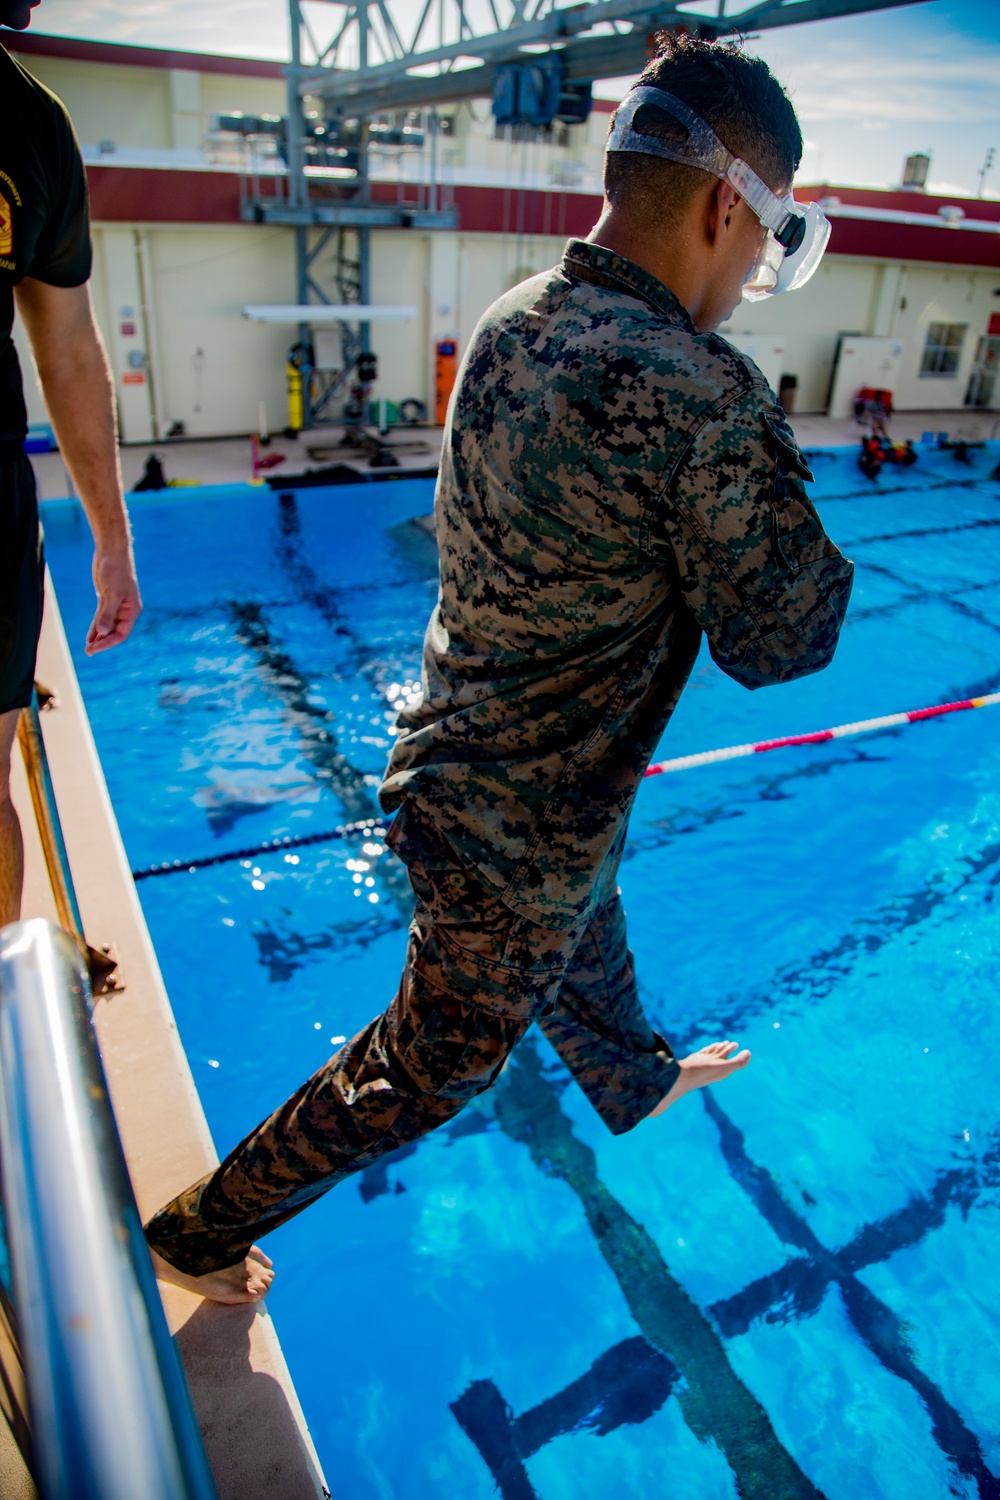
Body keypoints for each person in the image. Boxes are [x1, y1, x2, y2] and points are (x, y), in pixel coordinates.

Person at [144, 34, 854, 1305]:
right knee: (434, 1063)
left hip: (468, 773)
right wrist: (755, 453)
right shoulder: (704, 393)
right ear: (722, 205)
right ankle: (197, 1227)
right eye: (767, 238)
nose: (754, 273)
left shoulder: (511, 318)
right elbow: (784, 641)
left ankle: (631, 1077)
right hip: (511, 835)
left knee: (586, 899)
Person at [1, 0, 141, 924]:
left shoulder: (32, 126)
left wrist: (113, 538)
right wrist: (109, 542)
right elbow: (69, 355)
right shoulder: (28, 123)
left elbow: (73, 353)